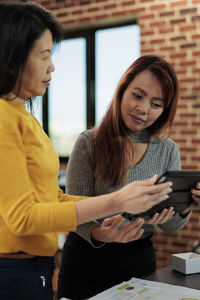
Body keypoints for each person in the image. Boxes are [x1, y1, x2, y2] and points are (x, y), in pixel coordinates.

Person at [0, 3, 175, 300]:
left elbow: (51, 196)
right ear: (13, 57)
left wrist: (112, 208)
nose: (52, 67)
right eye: (45, 56)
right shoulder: (5, 117)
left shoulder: (23, 116)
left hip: (36, 269)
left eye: (156, 103)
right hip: (14, 272)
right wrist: (117, 201)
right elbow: (23, 218)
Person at [57, 55, 200, 300]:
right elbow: (73, 210)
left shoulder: (167, 150)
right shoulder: (88, 142)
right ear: (122, 91)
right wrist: (101, 233)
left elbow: (171, 225)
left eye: (156, 104)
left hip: (138, 259)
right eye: (137, 95)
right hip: (86, 259)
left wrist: (186, 206)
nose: (143, 109)